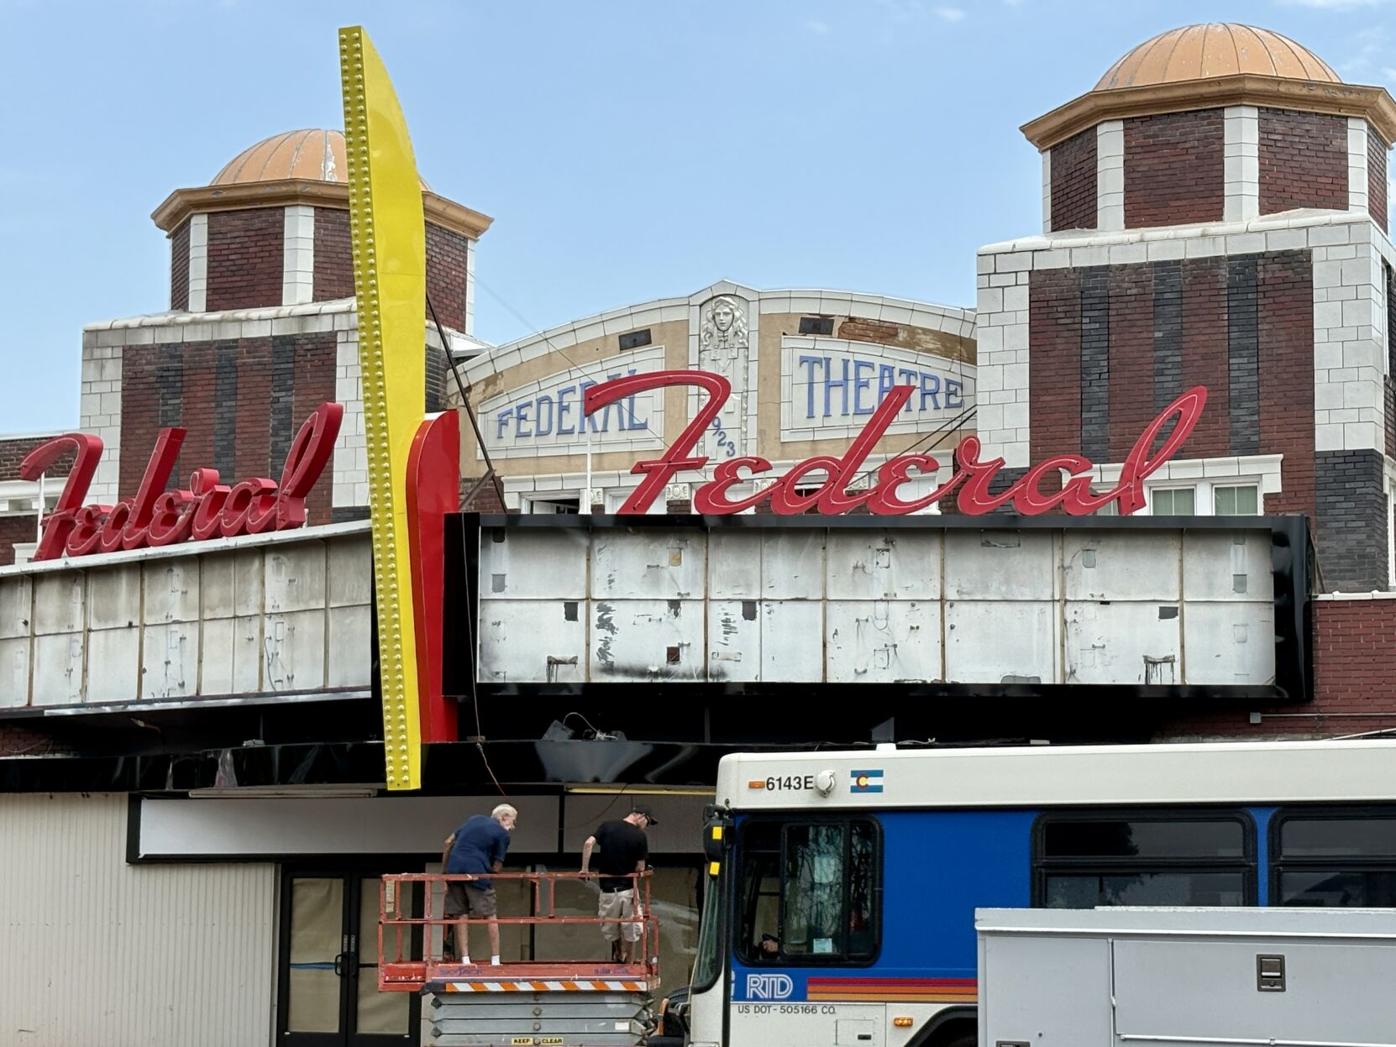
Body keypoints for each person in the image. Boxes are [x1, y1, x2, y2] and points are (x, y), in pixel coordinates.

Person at [442, 803, 517, 966]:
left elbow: (448, 842)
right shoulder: (503, 834)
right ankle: (495, 959)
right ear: (504, 817)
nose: (513, 826)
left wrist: (445, 874)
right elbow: (497, 866)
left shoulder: (474, 819)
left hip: (454, 870)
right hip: (476, 872)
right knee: (490, 914)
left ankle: (465, 959)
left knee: (460, 914)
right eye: (513, 821)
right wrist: (489, 875)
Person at [580, 806, 656, 963]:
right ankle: (629, 960)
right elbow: (640, 867)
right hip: (628, 889)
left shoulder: (606, 826)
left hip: (607, 889)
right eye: (647, 822)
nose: (646, 826)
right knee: (632, 927)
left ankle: (618, 951)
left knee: (610, 927)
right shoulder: (639, 835)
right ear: (641, 816)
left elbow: (588, 843)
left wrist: (585, 869)